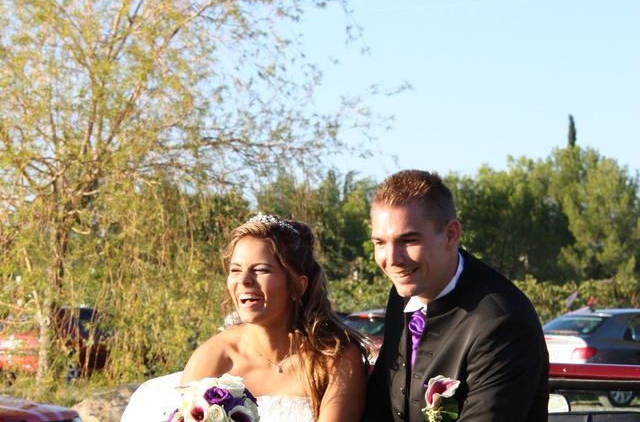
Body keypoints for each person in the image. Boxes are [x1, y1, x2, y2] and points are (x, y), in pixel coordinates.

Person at [363, 170, 549, 422]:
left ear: (451, 234)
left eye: (408, 240)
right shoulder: (403, 294)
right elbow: (380, 401)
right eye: (380, 243)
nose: (392, 259)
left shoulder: (502, 322)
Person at [181, 213, 368, 422]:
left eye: (260, 270)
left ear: (298, 285)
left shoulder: (335, 358)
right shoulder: (213, 357)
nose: (244, 280)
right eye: (235, 269)